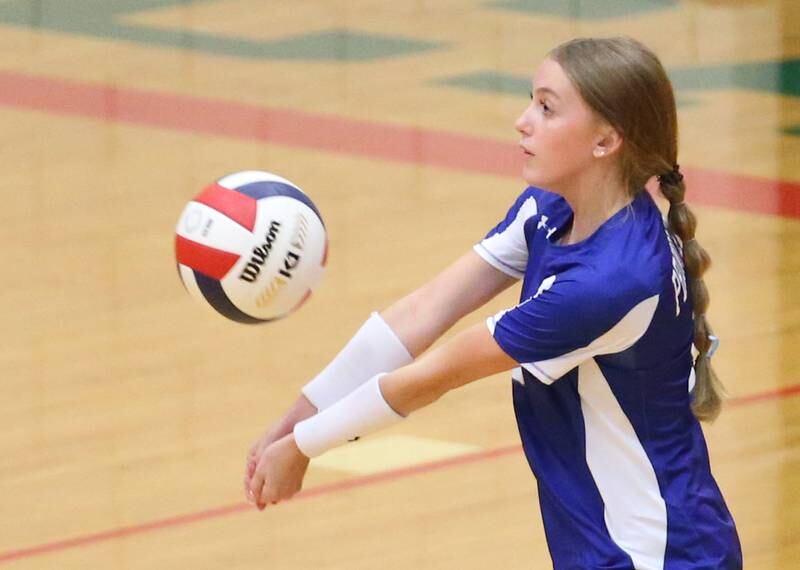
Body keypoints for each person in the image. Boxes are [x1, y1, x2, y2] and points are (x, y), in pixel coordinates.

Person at [243, 36, 743, 569]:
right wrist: (298, 416)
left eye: (547, 108)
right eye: (531, 100)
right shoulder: (554, 207)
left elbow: (435, 374)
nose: (522, 120)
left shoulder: (608, 283)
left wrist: (304, 446)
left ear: (605, 141)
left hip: (658, 555)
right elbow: (424, 310)